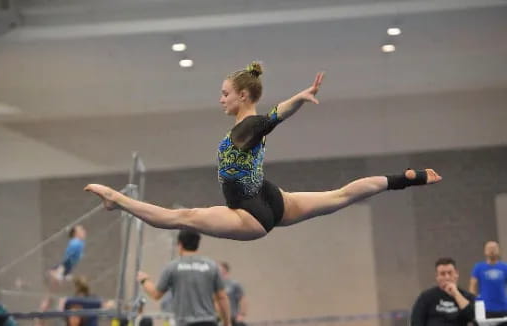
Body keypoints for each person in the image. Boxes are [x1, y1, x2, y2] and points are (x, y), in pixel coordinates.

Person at [84, 62, 442, 241]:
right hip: (271, 197)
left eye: (225, 93)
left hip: (249, 213)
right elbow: (269, 121)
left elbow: (273, 118)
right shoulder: (246, 128)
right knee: (342, 195)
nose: (220, 98)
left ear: (243, 95)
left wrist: (297, 101)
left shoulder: (249, 125)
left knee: (183, 218)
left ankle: (117, 200)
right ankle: (407, 178)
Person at [136, 231, 231, 326]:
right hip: (209, 323)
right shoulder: (211, 266)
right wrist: (227, 323)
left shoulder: (173, 267)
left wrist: (144, 280)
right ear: (198, 244)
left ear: (180, 244)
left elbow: (156, 294)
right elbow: (222, 298)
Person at [411, 257, 475, 326]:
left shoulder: (467, 296)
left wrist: (456, 294)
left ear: (456, 274)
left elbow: (474, 317)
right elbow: (416, 321)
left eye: (450, 273)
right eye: (442, 274)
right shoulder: (426, 297)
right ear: (437, 277)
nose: (447, 277)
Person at [469, 241, 507, 319]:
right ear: (485, 251)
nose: (492, 251)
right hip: (485, 308)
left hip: (503, 307)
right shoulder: (478, 267)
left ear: (499, 250)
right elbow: (472, 286)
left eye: (494, 248)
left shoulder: (504, 267)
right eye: (489, 248)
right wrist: (474, 302)